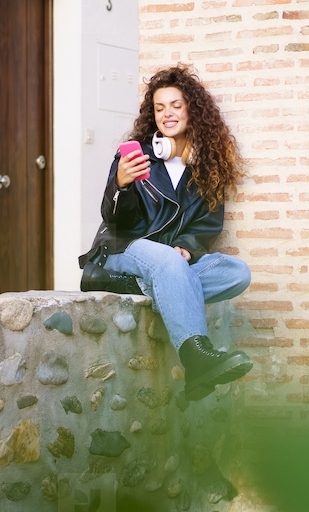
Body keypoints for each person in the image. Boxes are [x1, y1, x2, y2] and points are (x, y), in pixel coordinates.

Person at [80, 65, 252, 401]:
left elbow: (206, 227)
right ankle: (197, 360)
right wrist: (121, 185)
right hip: (123, 248)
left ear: (192, 109)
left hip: (166, 261)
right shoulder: (136, 155)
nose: (167, 114)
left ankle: (157, 287)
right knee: (165, 262)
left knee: (237, 273)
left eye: (175, 105)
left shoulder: (206, 168)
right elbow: (114, 220)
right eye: (159, 108)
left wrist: (187, 249)